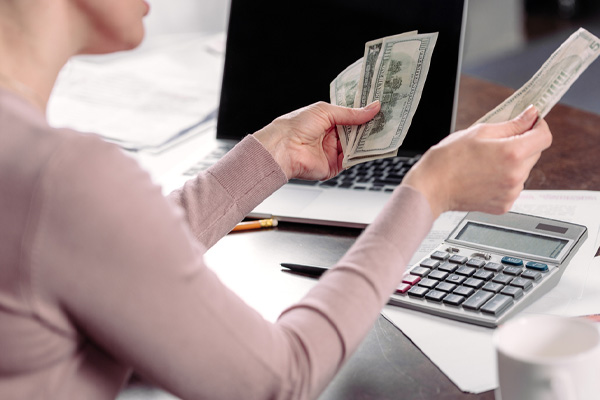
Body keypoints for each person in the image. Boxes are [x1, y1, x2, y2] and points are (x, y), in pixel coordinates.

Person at [0, 1, 552, 399]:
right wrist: (429, 191)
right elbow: (279, 380)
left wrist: (271, 153)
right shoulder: (62, 175)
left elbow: (109, 254)